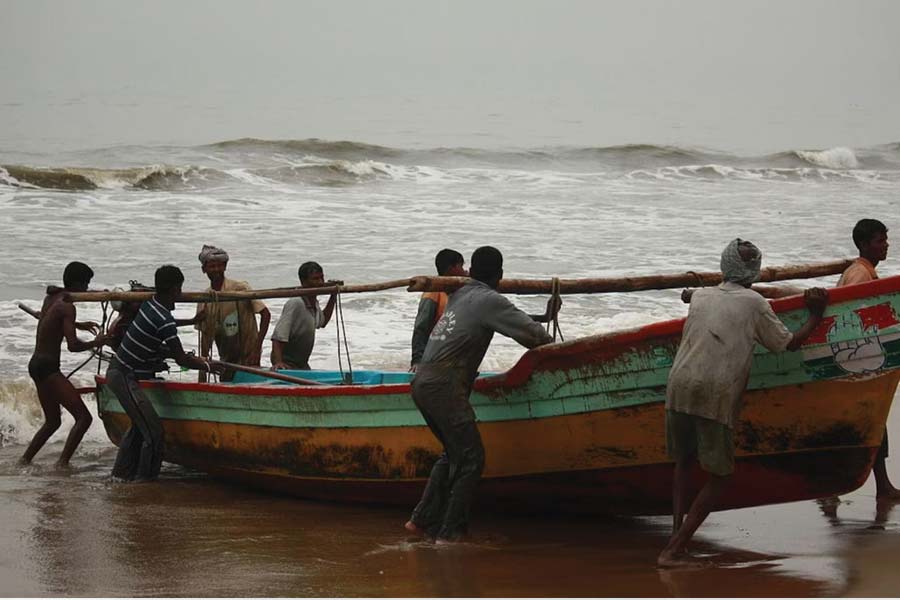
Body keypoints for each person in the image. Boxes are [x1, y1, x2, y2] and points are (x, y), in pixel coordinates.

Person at [658, 239, 828, 568]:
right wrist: (816, 314)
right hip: (715, 392)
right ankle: (673, 551)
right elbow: (788, 344)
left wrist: (690, 294)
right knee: (720, 475)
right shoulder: (755, 303)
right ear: (754, 272)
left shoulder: (702, 295)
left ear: (724, 266)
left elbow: (700, 298)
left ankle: (676, 537)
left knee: (683, 461)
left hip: (678, 384)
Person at [404, 246, 560, 542]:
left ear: (471, 272)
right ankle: (451, 533)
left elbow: (509, 317)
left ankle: (421, 520)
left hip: (423, 382)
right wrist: (562, 354)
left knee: (453, 454)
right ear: (499, 276)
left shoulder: (461, 293)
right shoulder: (488, 299)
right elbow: (533, 336)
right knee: (472, 457)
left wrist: (543, 315)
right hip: (444, 387)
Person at [106, 265, 222, 481]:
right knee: (154, 432)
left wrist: (192, 322)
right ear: (175, 289)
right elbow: (180, 358)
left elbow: (162, 331)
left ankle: (120, 476)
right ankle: (145, 481)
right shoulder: (163, 318)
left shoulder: (150, 305)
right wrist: (207, 366)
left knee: (138, 429)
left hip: (117, 372)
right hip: (124, 376)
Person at [19, 261, 107, 467]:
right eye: (85, 285)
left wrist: (79, 325)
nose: (86, 289)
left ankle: (23, 461)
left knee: (52, 422)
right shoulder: (68, 306)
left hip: (35, 364)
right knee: (84, 419)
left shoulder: (51, 298)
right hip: (49, 368)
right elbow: (73, 346)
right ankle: (62, 464)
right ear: (77, 283)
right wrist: (98, 342)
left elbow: (49, 319)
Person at [836, 219, 900, 498]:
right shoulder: (860, 274)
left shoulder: (863, 271)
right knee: (867, 423)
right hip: (854, 360)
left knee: (871, 423)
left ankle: (881, 486)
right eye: (879, 240)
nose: (886, 245)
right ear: (864, 245)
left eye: (885, 239)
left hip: (859, 358)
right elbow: (849, 317)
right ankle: (878, 487)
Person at [194, 245, 271, 381]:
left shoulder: (240, 288)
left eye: (220, 266)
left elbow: (265, 314)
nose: (216, 270)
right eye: (212, 267)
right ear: (204, 269)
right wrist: (203, 370)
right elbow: (205, 337)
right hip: (226, 360)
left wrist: (256, 349)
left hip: (249, 356)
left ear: (225, 267)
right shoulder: (204, 299)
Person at [270, 261, 341, 370]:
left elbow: (323, 321)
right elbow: (278, 337)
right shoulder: (296, 303)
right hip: (288, 364)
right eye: (315, 279)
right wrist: (278, 363)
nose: (320, 282)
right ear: (304, 282)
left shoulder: (314, 303)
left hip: (301, 364)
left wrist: (333, 295)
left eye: (321, 278)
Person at [410, 249, 467, 372]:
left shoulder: (459, 290)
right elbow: (421, 327)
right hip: (434, 355)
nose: (464, 271)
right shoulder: (433, 292)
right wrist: (417, 360)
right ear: (452, 268)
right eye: (461, 266)